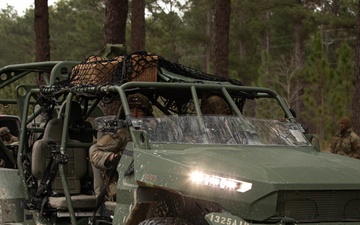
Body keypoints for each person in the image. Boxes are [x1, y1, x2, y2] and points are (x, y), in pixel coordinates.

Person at [90, 93, 152, 201]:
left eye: (140, 111)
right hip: (122, 184)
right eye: (131, 111)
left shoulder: (154, 134)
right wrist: (112, 158)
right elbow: (95, 153)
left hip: (149, 180)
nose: (135, 114)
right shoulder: (121, 134)